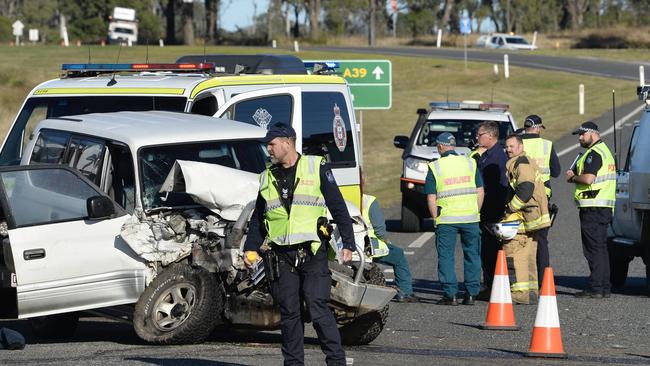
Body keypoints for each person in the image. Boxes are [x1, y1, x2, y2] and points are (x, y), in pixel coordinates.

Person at [243, 123, 354, 366]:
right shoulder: (267, 176)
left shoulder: (315, 167)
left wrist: (349, 242)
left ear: (288, 142)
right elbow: (258, 219)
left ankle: (336, 361)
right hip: (282, 255)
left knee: (317, 307)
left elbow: (338, 206)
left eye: (271, 144)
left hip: (312, 252)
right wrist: (250, 248)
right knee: (289, 312)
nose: (268, 149)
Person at [425, 132, 484, 305]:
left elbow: (431, 197)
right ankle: (471, 293)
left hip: (447, 220)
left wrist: (436, 218)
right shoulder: (470, 162)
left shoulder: (435, 166)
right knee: (472, 255)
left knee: (446, 256)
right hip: (471, 218)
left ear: (441, 147)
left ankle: (450, 295)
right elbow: (480, 192)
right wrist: (475, 211)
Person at [566, 121, 616, 299]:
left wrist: (572, 178)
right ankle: (603, 287)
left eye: (582, 134)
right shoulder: (604, 151)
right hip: (602, 207)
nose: (579, 138)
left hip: (593, 207)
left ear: (592, 133)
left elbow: (588, 179)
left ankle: (596, 288)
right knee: (600, 248)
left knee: (593, 249)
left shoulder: (594, 153)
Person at [503, 134, 551, 304]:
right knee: (530, 252)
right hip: (533, 215)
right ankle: (531, 290)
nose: (508, 149)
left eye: (512, 146)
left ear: (521, 147)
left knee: (516, 252)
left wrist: (511, 207)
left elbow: (526, 187)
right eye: (507, 146)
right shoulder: (523, 161)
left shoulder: (521, 163)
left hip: (527, 214)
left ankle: (520, 293)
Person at [520, 114, 561, 285]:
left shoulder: (516, 143)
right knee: (541, 240)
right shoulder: (546, 145)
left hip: (520, 196)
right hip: (542, 197)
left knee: (520, 239)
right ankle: (543, 280)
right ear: (537, 128)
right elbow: (556, 171)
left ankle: (522, 280)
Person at [362, 193, 419, 303]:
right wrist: (385, 240)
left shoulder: (332, 198)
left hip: (341, 249)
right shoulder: (368, 200)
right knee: (398, 256)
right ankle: (404, 292)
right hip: (367, 246)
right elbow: (379, 229)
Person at [475, 121, 509, 299]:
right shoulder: (487, 155)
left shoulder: (497, 157)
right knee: (487, 250)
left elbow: (499, 187)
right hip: (487, 209)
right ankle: (489, 284)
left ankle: (492, 287)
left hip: (492, 210)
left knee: (491, 250)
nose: (477, 138)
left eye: (480, 135)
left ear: (490, 135)